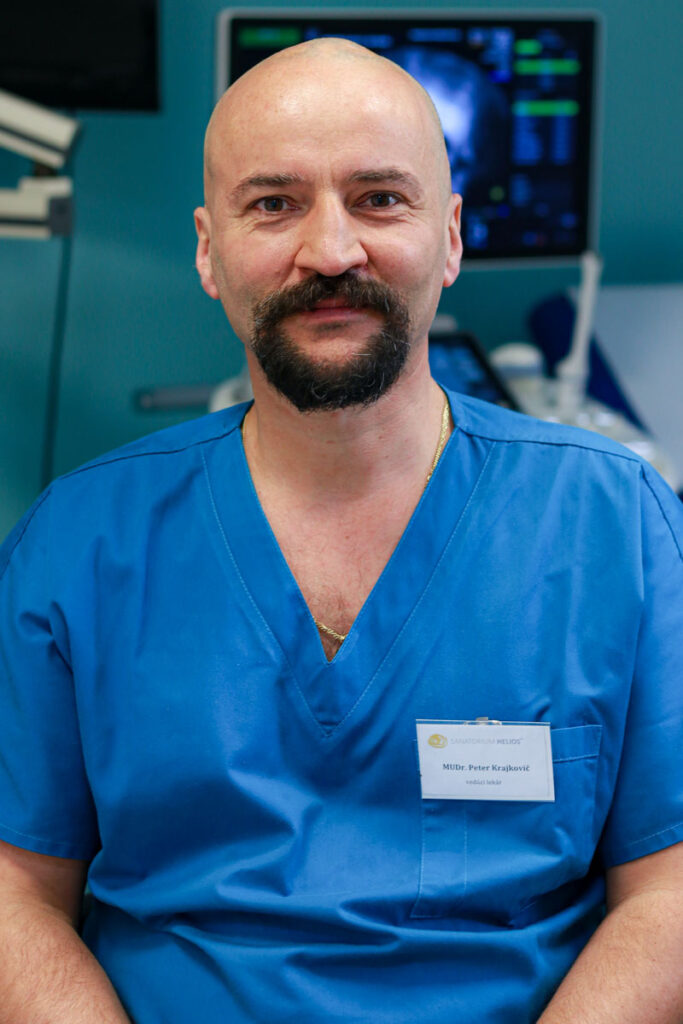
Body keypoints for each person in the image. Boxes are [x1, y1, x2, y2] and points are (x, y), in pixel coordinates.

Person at [0, 38, 682, 1024]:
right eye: (273, 204)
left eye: (379, 199)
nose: (330, 252)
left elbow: (666, 890)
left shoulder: (614, 524)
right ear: (208, 249)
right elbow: (18, 891)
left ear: (450, 236)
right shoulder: (78, 544)